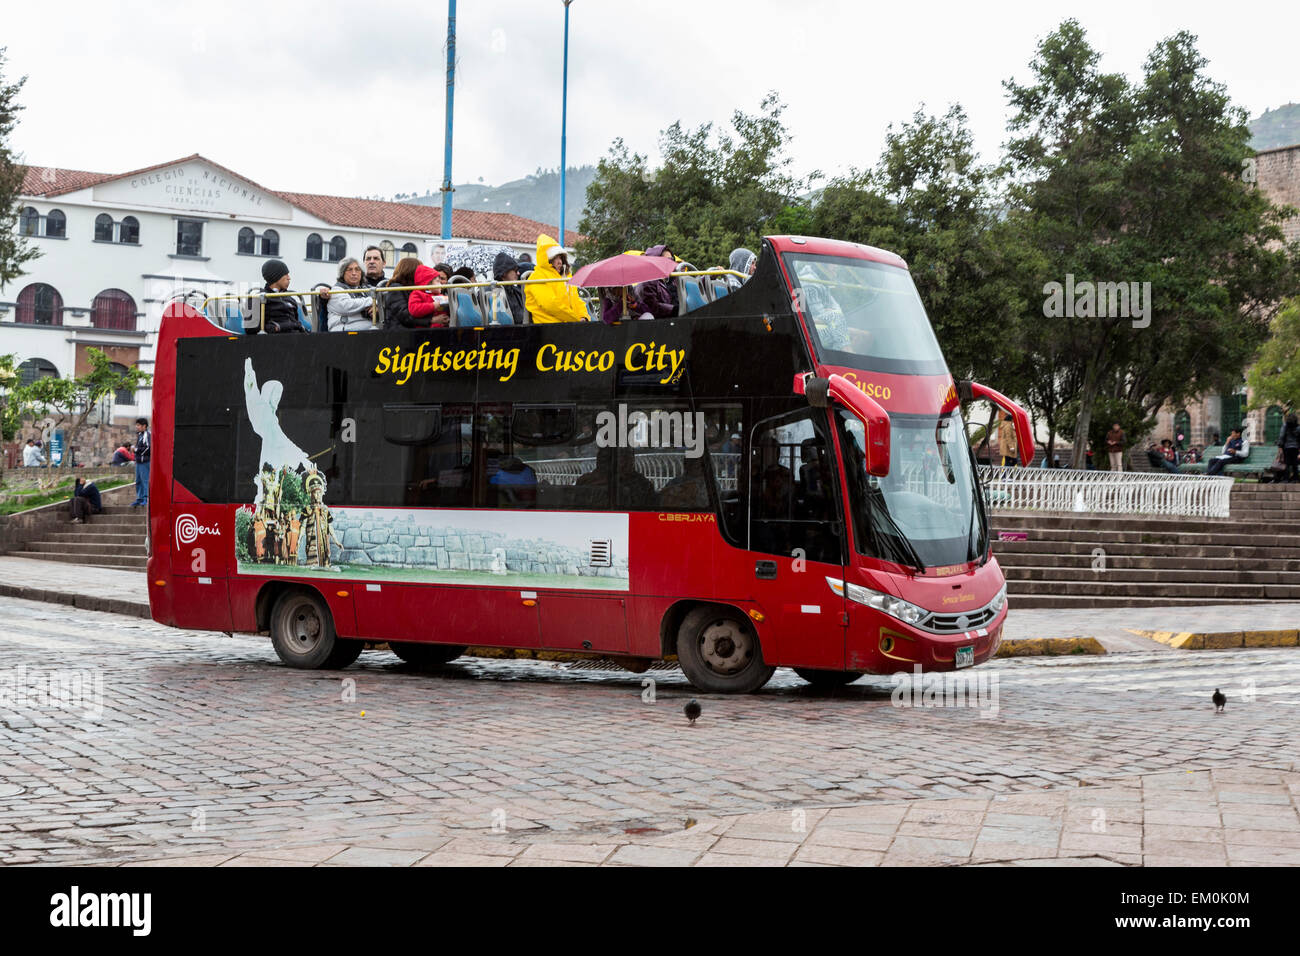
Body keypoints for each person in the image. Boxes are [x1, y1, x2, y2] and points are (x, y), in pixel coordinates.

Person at [524, 234, 588, 323]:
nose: (560, 262)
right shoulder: (537, 277)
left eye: (560, 258)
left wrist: (583, 316)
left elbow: (577, 300)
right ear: (546, 260)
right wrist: (576, 319)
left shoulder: (566, 276)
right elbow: (550, 305)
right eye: (554, 258)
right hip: (549, 327)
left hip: (569, 325)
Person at [249, 259, 307, 334]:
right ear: (276, 276)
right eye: (286, 275)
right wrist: (276, 328)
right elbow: (250, 328)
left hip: (295, 339)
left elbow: (296, 322)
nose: (289, 278)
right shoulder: (257, 298)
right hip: (274, 341)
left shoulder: (290, 299)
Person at [327, 258, 379, 331]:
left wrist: (377, 308)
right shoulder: (337, 289)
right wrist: (372, 301)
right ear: (343, 273)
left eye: (357, 269)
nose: (354, 273)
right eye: (349, 270)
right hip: (344, 331)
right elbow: (347, 306)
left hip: (367, 330)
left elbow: (382, 299)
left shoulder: (367, 288)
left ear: (361, 273)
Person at [635, 244, 680, 319]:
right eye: (667, 260)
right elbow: (652, 307)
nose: (670, 262)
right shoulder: (647, 281)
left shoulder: (669, 280)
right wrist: (674, 309)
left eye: (671, 259)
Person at [382, 257, 428, 329]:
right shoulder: (395, 288)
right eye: (420, 270)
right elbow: (404, 316)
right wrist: (431, 320)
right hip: (400, 333)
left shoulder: (415, 289)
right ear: (410, 272)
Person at [492, 251, 530, 324]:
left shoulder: (516, 291)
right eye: (515, 270)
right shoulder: (495, 294)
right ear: (504, 273)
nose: (518, 273)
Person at [131, 417, 151, 508]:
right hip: (139, 462)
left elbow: (148, 448)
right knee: (138, 480)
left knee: (145, 480)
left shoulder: (147, 434)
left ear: (144, 426)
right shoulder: (140, 435)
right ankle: (139, 498)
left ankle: (146, 498)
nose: (137, 427)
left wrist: (136, 450)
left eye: (139, 425)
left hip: (145, 462)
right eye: (137, 425)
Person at [1276, 413, 1300, 483]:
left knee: (1287, 463)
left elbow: (1281, 436)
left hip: (1287, 447)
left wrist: (1280, 446)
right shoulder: (1298, 427)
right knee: (1295, 464)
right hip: (1295, 447)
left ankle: (1286, 478)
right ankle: (1295, 478)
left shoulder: (1285, 425)